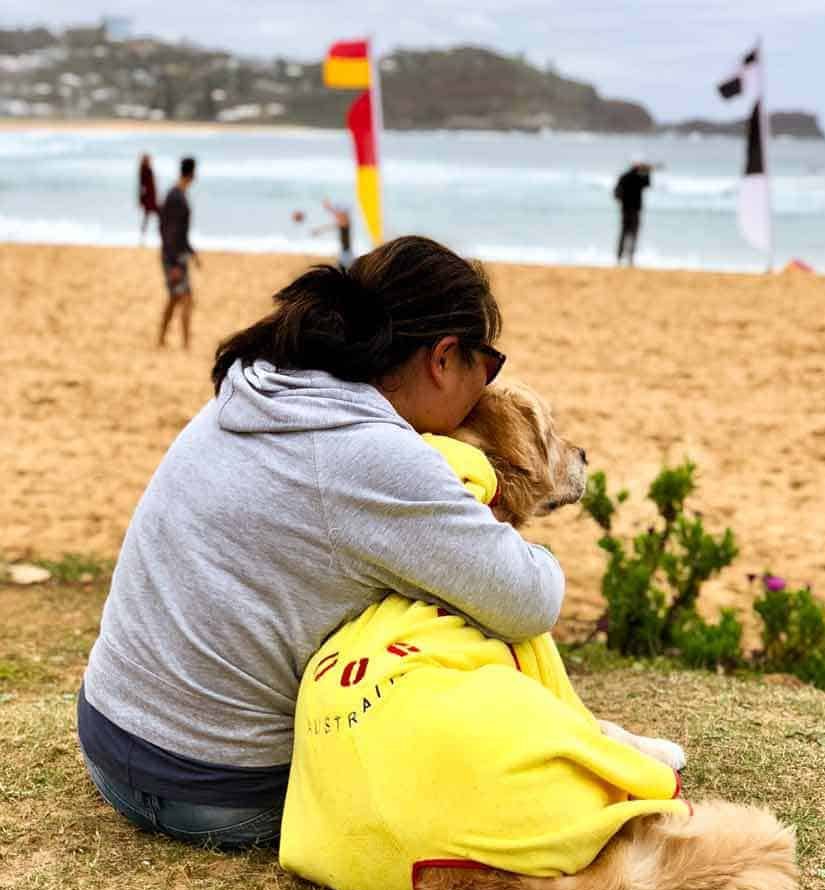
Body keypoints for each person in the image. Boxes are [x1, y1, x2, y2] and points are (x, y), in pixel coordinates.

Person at [78, 235, 565, 849]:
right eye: (487, 367)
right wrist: (530, 545)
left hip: (109, 733)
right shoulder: (371, 454)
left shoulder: (262, 383)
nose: (488, 388)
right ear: (443, 359)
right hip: (211, 790)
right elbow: (528, 600)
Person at [158, 156, 199, 349]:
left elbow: (179, 231)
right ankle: (185, 344)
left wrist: (192, 252)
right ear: (192, 173)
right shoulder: (176, 196)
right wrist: (173, 263)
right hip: (173, 257)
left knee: (176, 298)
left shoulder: (178, 194)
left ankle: (162, 338)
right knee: (185, 299)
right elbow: (168, 230)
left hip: (177, 255)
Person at [613, 161, 660, 266]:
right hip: (634, 211)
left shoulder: (624, 177)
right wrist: (647, 172)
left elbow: (616, 193)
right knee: (633, 235)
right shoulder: (638, 178)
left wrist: (622, 201)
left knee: (624, 235)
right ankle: (630, 258)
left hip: (625, 211)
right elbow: (647, 184)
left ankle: (620, 258)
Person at [313, 199, 354, 268]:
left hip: (346, 254)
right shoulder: (344, 222)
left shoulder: (345, 221)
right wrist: (319, 230)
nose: (340, 214)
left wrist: (329, 207)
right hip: (345, 253)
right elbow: (331, 225)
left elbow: (337, 217)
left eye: (342, 213)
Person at [138, 154, 158, 240]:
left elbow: (143, 186)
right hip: (149, 198)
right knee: (156, 215)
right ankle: (143, 236)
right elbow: (143, 186)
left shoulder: (144, 170)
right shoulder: (145, 170)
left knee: (147, 217)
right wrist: (142, 198)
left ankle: (143, 236)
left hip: (149, 197)